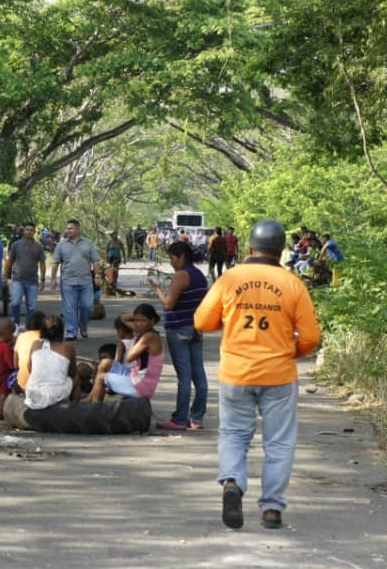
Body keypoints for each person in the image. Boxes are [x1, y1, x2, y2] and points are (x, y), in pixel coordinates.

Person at [194, 218, 322, 530]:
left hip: (236, 373)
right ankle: (272, 509)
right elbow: (310, 337)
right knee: (279, 442)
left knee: (234, 434)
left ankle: (233, 483)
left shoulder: (230, 279)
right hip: (279, 375)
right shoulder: (293, 283)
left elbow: (202, 322)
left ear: (250, 247)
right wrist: (291, 352)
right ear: (281, 252)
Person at [148, 240, 209, 431]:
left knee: (184, 376)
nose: (171, 262)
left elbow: (168, 303)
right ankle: (196, 417)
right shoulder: (199, 275)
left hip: (179, 328)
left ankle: (180, 419)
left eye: (172, 258)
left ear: (182, 257)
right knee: (199, 374)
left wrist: (157, 288)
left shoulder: (181, 276)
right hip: (195, 327)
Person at [85, 305, 165, 402]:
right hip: (135, 377)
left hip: (141, 386)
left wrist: (135, 341)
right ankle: (90, 398)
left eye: (143, 320)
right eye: (136, 320)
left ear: (152, 321)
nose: (138, 324)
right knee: (105, 363)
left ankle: (95, 409)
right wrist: (138, 316)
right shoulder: (146, 331)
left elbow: (129, 357)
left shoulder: (149, 337)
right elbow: (123, 319)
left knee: (101, 377)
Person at [50, 219, 101, 340]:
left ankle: (83, 326)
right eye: (67, 228)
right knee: (69, 308)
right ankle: (71, 332)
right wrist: (53, 279)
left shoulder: (88, 243)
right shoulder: (61, 245)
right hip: (68, 281)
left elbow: (95, 260)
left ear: (78, 229)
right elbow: (55, 262)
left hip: (86, 281)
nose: (68, 230)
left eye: (71, 228)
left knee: (88, 306)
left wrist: (97, 276)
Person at [24, 315, 79, 410]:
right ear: (62, 331)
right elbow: (72, 372)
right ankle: (74, 409)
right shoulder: (68, 348)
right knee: (76, 378)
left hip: (32, 393)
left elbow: (29, 369)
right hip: (55, 394)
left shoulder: (35, 344)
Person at [3, 222, 46, 331]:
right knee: (15, 303)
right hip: (18, 279)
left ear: (34, 232)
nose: (29, 232)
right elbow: (10, 261)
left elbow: (42, 263)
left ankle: (29, 327)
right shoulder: (16, 245)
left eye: (31, 230)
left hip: (32, 281)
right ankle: (16, 324)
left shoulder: (38, 247)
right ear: (24, 231)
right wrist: (5, 276)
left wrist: (42, 279)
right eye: (27, 230)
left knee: (31, 307)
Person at [13, 310, 46, 393]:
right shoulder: (45, 340)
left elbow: (15, 365)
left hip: (21, 384)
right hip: (39, 386)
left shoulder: (21, 337)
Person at [0, 317, 16, 416]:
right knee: (3, 392)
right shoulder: (6, 348)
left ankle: (0, 405)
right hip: (4, 373)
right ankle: (0, 410)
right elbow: (10, 363)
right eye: (12, 333)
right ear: (7, 333)